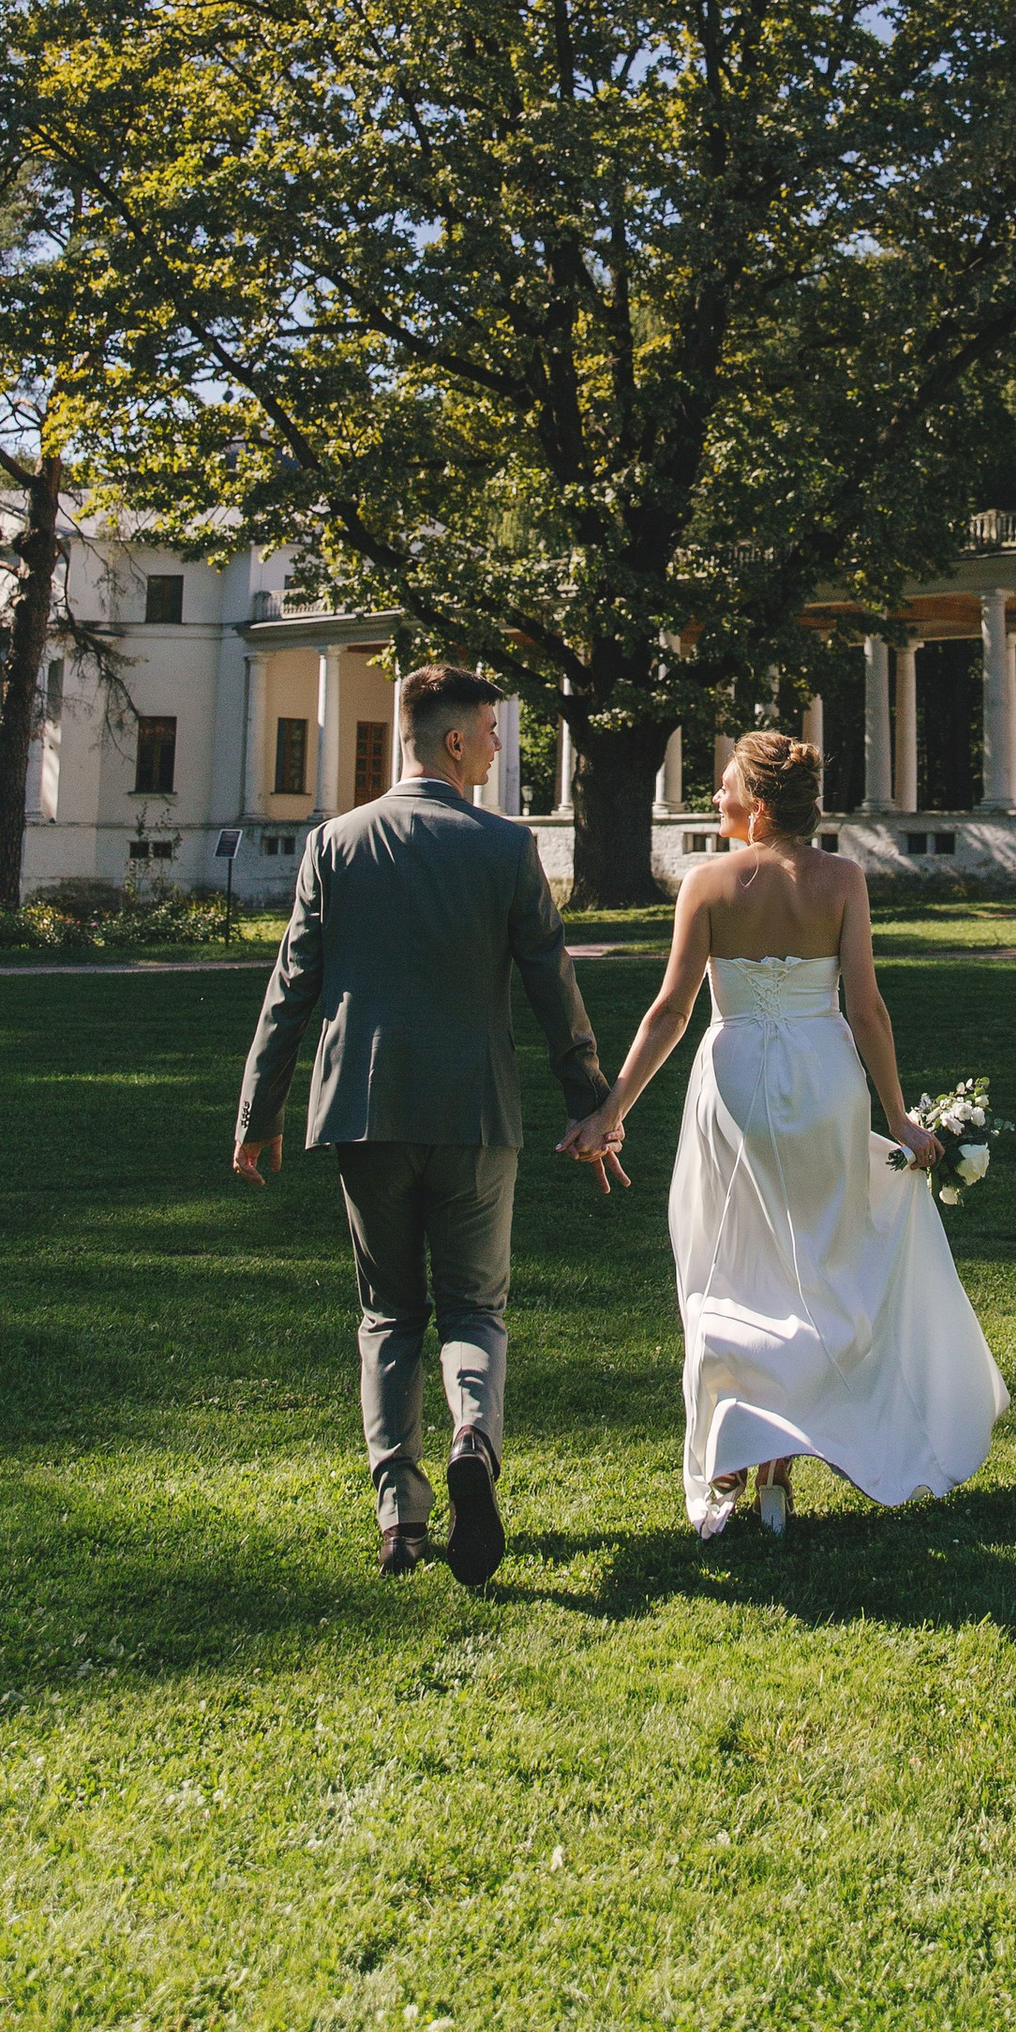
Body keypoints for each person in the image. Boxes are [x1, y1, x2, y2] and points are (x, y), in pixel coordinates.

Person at [560, 728, 1006, 1536]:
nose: (716, 797)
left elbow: (670, 1012)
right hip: (824, 1077)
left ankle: (737, 1448)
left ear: (759, 809)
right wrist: (897, 1112)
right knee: (815, 1263)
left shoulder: (708, 882)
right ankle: (774, 1479)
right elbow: (865, 1008)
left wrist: (611, 1110)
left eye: (726, 786)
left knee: (730, 1267)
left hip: (733, 1083)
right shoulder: (841, 880)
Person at [231, 665, 615, 1586]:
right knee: (475, 1305)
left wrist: (260, 1112)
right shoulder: (503, 847)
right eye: (490, 729)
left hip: (364, 1112)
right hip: (475, 1110)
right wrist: (589, 1099)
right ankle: (473, 1439)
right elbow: (551, 983)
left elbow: (292, 991)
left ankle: (400, 1515)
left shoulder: (335, 843)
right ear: (452, 740)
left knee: (387, 1313)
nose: (497, 745)